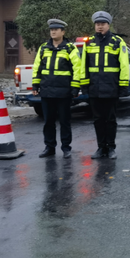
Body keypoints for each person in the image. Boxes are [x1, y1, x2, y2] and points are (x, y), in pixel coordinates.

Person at [80, 11, 130, 159]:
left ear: (108, 25)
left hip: (111, 88)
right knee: (97, 120)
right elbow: (83, 65)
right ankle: (101, 148)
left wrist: (123, 86)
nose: (100, 26)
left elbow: (124, 65)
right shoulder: (88, 42)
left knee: (110, 119)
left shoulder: (117, 41)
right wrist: (84, 86)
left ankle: (111, 147)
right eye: (97, 24)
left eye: (102, 24)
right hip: (95, 88)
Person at [32, 19, 81, 159]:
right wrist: (35, 85)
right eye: (51, 29)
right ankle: (49, 147)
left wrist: (75, 87)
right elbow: (37, 67)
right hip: (47, 91)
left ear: (63, 32)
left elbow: (77, 69)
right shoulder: (43, 48)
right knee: (48, 122)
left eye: (56, 29)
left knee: (65, 121)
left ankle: (66, 148)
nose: (53, 32)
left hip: (64, 92)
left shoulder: (70, 48)